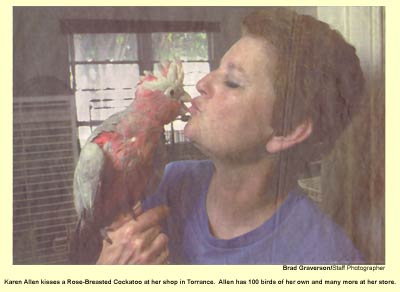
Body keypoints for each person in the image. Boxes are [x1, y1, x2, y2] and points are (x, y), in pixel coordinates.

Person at [95, 8, 365, 264]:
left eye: (232, 82)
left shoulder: (328, 259)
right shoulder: (170, 183)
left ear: (288, 130)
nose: (202, 84)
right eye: (216, 68)